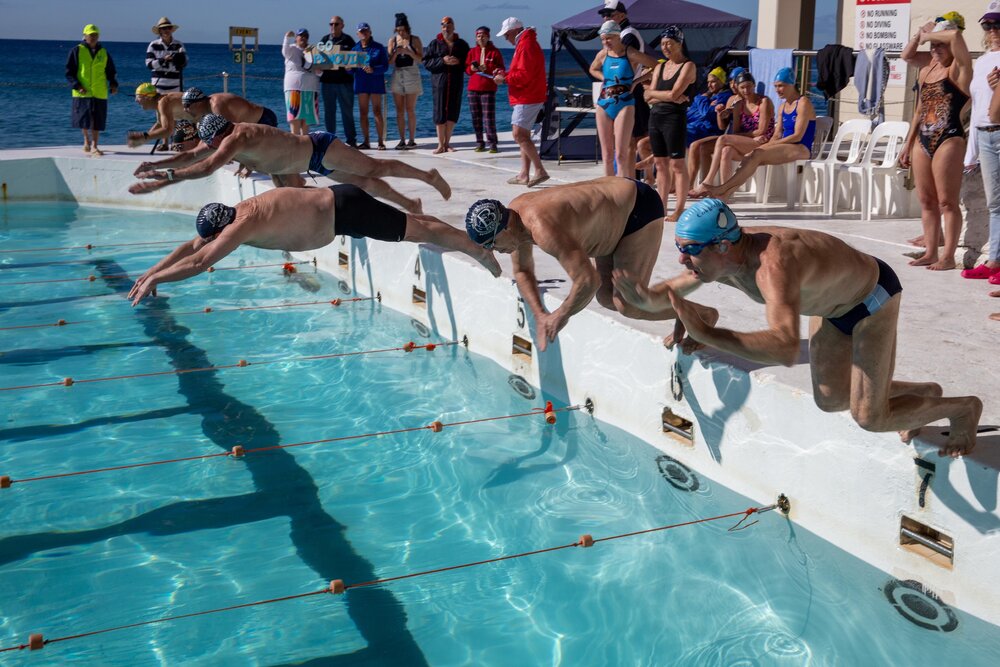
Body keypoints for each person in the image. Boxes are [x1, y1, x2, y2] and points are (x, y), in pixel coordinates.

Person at [613, 198, 984, 458]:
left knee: (870, 417)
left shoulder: (773, 267)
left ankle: (963, 409)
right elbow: (668, 292)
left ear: (723, 246)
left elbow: (784, 346)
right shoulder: (720, 260)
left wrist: (710, 334)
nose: (682, 258)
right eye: (680, 246)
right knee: (831, 399)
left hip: (873, 300)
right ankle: (924, 393)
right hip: (831, 306)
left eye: (689, 249)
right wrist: (636, 296)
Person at [128, 186, 501, 306]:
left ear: (221, 229)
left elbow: (198, 263)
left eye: (214, 238)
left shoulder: (239, 226)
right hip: (339, 204)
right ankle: (472, 243)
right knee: (417, 226)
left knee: (420, 231)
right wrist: (152, 274)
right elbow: (190, 247)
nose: (211, 242)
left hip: (345, 212)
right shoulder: (230, 214)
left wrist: (155, 282)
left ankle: (477, 249)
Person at [464, 177, 707, 352]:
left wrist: (561, 315)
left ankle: (700, 315)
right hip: (612, 215)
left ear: (505, 228)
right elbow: (522, 271)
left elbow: (587, 280)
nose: (494, 250)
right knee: (606, 298)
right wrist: (540, 315)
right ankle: (687, 313)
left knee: (629, 303)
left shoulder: (541, 229)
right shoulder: (514, 219)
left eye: (492, 243)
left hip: (637, 209)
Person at [129, 114, 451, 214]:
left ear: (217, 137)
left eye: (209, 143)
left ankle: (428, 175)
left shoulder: (238, 138)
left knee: (373, 169)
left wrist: (163, 178)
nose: (208, 147)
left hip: (319, 149)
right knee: (363, 184)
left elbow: (205, 167)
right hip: (301, 164)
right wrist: (155, 166)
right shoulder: (223, 138)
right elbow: (191, 156)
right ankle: (409, 202)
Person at [898, 16, 971, 271]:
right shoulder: (927, 69)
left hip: (949, 137)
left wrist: (935, 35)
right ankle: (930, 251)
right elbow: (919, 110)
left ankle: (948, 256)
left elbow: (957, 37)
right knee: (926, 200)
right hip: (923, 138)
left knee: (947, 202)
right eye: (933, 46)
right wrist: (908, 143)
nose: (936, 50)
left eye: (940, 45)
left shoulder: (959, 68)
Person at [702, 67, 817, 202]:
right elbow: (777, 133)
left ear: (792, 84)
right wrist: (769, 143)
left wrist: (771, 144)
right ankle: (725, 194)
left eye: (781, 86)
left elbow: (798, 136)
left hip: (801, 148)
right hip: (786, 146)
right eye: (775, 86)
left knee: (756, 154)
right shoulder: (783, 106)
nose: (777, 90)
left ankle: (722, 189)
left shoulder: (803, 103)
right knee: (751, 155)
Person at [589, 21, 658, 178]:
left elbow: (657, 65)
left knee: (621, 153)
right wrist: (605, 79)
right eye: (603, 39)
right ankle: (608, 190)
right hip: (603, 103)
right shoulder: (602, 54)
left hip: (625, 104)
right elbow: (592, 68)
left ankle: (622, 191)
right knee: (606, 155)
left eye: (609, 38)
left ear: (618, 36)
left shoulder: (630, 53)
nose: (606, 42)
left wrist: (637, 81)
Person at [690, 71, 775, 197]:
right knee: (726, 151)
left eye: (749, 86)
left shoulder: (763, 102)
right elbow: (735, 131)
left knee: (723, 139)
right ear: (738, 89)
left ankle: (707, 181)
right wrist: (721, 115)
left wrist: (745, 135)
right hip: (749, 141)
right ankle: (725, 193)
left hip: (763, 142)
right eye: (742, 87)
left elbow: (761, 131)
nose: (746, 90)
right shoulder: (738, 105)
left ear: (754, 85)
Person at [963, 3, 1000, 285]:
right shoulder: (985, 60)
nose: (993, 30)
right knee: (995, 203)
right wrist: (971, 149)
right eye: (988, 26)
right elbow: (977, 106)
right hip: (986, 133)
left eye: (998, 25)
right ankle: (995, 260)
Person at [645, 26, 696, 220]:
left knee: (677, 164)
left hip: (674, 118)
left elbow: (674, 94)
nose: (665, 47)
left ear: (679, 44)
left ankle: (680, 208)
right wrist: (663, 96)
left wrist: (655, 94)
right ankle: (662, 206)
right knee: (660, 163)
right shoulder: (659, 67)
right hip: (655, 118)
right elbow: (646, 96)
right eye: (663, 44)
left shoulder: (688, 66)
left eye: (669, 43)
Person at [494, 17, 549, 187]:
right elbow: (522, 71)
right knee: (523, 135)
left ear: (514, 32)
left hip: (528, 95)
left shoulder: (526, 45)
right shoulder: (526, 43)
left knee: (519, 134)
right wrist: (506, 74)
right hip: (529, 95)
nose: (506, 39)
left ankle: (539, 170)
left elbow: (524, 76)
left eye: (507, 35)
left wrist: (504, 79)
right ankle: (524, 174)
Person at [599, 1, 650, 179]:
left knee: (629, 144)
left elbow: (645, 62)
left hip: (629, 90)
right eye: (604, 15)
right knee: (627, 144)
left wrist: (637, 80)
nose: (606, 18)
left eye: (610, 14)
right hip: (619, 92)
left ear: (622, 15)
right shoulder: (617, 35)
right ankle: (631, 180)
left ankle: (630, 182)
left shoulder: (627, 36)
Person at [65, 24, 118, 156]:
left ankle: (95, 145)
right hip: (82, 91)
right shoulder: (76, 51)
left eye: (95, 35)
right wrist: (77, 85)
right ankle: (86, 141)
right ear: (85, 36)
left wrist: (113, 84)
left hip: (99, 91)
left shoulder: (104, 52)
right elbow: (69, 72)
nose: (93, 37)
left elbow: (111, 71)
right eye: (91, 35)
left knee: (97, 120)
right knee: (84, 119)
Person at [423, 16, 470, 153]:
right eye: (443, 25)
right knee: (439, 112)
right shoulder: (434, 44)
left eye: (449, 25)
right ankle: (440, 144)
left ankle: (447, 143)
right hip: (439, 82)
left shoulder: (462, 44)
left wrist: (458, 62)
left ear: (454, 27)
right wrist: (442, 60)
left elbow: (468, 63)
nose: (446, 28)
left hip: (456, 81)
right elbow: (426, 62)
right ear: (441, 27)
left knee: (452, 111)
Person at [684, 67, 734, 184]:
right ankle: (675, 183)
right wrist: (704, 101)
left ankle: (690, 184)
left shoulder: (724, 96)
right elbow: (690, 114)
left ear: (722, 82)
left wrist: (701, 98)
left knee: (689, 142)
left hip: (712, 132)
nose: (709, 85)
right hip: (700, 129)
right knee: (673, 136)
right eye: (708, 82)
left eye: (713, 81)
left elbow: (707, 113)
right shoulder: (711, 97)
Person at [317, 16, 357, 147]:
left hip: (345, 82)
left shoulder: (348, 40)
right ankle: (330, 140)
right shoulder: (324, 40)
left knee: (347, 112)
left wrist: (350, 65)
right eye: (331, 24)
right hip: (328, 82)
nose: (333, 26)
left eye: (336, 24)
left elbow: (356, 59)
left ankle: (351, 140)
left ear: (342, 25)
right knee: (329, 112)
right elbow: (318, 58)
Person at [465, 26, 505, 153]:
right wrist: (472, 69)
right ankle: (479, 142)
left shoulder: (495, 52)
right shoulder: (472, 52)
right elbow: (467, 69)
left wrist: (487, 69)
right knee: (475, 117)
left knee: (488, 117)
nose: (480, 38)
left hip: (488, 88)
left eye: (483, 36)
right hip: (473, 88)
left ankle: (492, 143)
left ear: (488, 37)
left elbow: (501, 68)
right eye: (478, 36)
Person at [388, 13, 423, 150]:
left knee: (410, 109)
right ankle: (402, 139)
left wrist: (409, 52)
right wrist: (396, 53)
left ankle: (412, 139)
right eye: (398, 30)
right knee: (399, 110)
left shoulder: (415, 40)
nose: (401, 32)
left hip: (411, 72)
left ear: (407, 28)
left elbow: (421, 60)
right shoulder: (392, 41)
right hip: (398, 74)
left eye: (403, 30)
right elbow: (390, 62)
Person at [353, 23, 389, 150]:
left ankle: (380, 142)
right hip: (361, 83)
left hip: (375, 82)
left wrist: (373, 69)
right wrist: (347, 68)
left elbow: (385, 66)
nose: (364, 33)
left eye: (366, 31)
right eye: (361, 31)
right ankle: (366, 141)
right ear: (357, 33)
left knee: (377, 112)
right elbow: (351, 69)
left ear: (370, 32)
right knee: (363, 113)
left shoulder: (379, 48)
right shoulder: (354, 49)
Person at [128, 84, 194, 148]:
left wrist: (144, 136)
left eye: (138, 97)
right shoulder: (160, 102)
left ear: (148, 97)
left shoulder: (163, 102)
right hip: (198, 121)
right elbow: (160, 123)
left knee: (181, 144)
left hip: (202, 119)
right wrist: (143, 140)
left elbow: (168, 130)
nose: (135, 100)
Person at [282, 29, 321, 135]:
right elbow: (284, 50)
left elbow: (319, 71)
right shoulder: (292, 49)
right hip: (294, 88)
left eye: (305, 36)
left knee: (306, 120)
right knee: (294, 118)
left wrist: (319, 71)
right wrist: (286, 37)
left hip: (311, 89)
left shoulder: (312, 51)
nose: (303, 37)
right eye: (301, 36)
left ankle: (305, 146)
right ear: (296, 38)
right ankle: (295, 146)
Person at [179, 87, 279, 127]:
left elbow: (233, 131)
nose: (185, 110)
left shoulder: (216, 106)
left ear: (198, 103)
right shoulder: (207, 107)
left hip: (264, 119)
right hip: (256, 122)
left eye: (187, 106)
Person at [147, 17, 186, 95]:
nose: (166, 30)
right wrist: (163, 60)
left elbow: (184, 64)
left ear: (171, 30)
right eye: (164, 28)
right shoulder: (153, 45)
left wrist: (176, 60)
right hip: (158, 87)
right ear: (160, 31)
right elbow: (149, 65)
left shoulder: (179, 45)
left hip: (176, 87)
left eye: (169, 27)